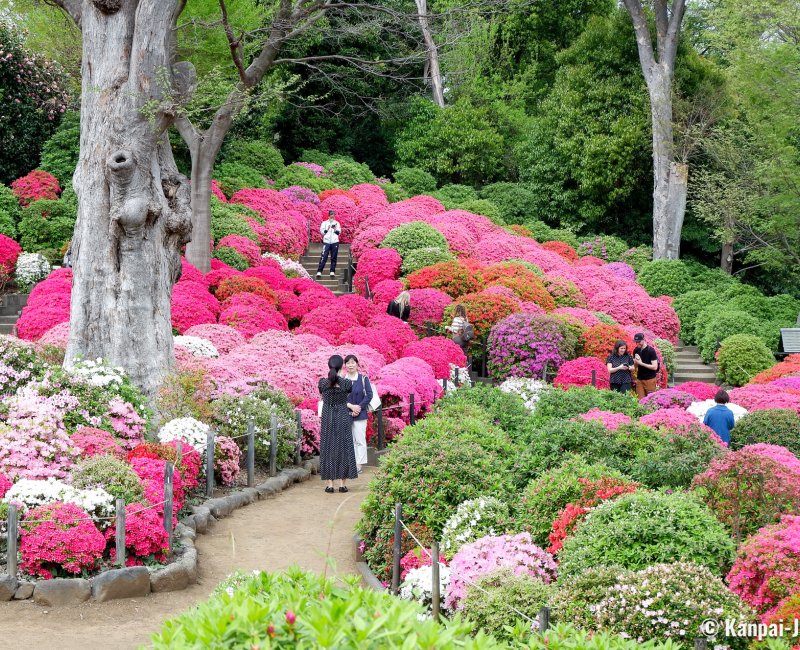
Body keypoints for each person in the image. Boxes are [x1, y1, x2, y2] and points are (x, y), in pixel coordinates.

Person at [318, 355, 358, 492]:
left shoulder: (323, 383)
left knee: (328, 448)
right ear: (342, 366)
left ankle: (330, 485)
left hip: (328, 416)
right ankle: (342, 484)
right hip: (342, 415)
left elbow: (322, 393)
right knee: (344, 447)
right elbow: (346, 392)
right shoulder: (346, 384)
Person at [344, 354, 373, 473]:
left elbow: (369, 395)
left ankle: (358, 465)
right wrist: (351, 407)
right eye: (348, 363)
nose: (350, 365)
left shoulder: (363, 378)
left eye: (352, 362)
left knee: (360, 440)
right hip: (346, 413)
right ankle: (350, 464)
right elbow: (340, 397)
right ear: (345, 365)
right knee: (348, 440)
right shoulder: (342, 380)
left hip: (360, 415)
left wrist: (359, 407)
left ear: (357, 364)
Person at [632, 332, 659, 398]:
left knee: (650, 400)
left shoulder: (651, 351)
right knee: (640, 400)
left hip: (650, 379)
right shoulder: (636, 350)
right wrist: (635, 362)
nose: (637, 343)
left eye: (639, 341)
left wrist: (641, 363)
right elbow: (635, 366)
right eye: (636, 342)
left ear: (643, 340)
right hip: (640, 379)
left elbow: (655, 367)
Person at [316, 211, 341, 278]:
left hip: (335, 242)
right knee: (324, 256)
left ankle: (332, 271)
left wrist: (335, 229)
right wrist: (327, 229)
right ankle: (319, 271)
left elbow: (339, 233)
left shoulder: (337, 223)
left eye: (333, 216)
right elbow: (322, 232)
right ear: (328, 216)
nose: (332, 218)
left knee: (334, 257)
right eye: (331, 216)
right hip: (326, 242)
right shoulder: (324, 223)